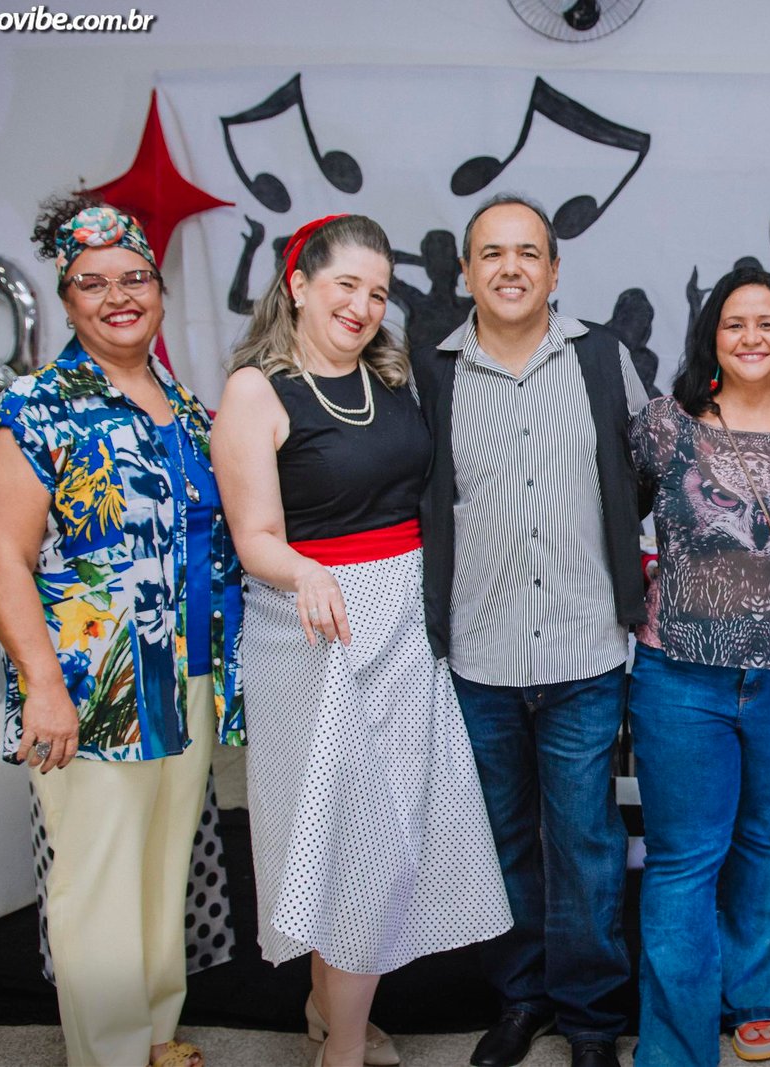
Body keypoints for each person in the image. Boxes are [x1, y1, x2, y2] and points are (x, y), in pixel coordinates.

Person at [212, 213, 512, 1067]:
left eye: (378, 293)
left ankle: (327, 1010)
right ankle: (341, 1047)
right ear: (299, 285)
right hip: (316, 633)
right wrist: (305, 571)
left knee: (388, 836)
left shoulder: (390, 378)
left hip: (404, 632)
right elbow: (254, 537)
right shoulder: (256, 392)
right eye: (346, 285)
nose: (363, 305)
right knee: (348, 844)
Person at [0, 195, 241, 1067]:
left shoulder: (182, 404)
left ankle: (153, 1034)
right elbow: (0, 558)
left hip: (185, 673)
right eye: (93, 282)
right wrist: (44, 687)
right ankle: (109, 1053)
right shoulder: (35, 408)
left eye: (134, 278)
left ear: (159, 288)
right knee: (99, 878)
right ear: (66, 297)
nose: (118, 296)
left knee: (162, 864)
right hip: (93, 683)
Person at [410, 194, 647, 1067]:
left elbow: (647, 475)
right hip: (480, 654)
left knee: (585, 842)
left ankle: (591, 1019)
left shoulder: (604, 359)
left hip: (585, 649)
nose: (510, 268)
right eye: (491, 253)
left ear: (553, 268)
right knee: (503, 840)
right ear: (465, 271)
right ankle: (522, 997)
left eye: (527, 252)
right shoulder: (432, 373)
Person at [629, 267, 770, 1066]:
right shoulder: (665, 426)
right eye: (734, 323)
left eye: (768, 322)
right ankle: (677, 1043)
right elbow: (619, 515)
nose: (751, 336)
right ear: (711, 338)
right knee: (684, 860)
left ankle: (755, 991)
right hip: (680, 675)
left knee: (763, 839)